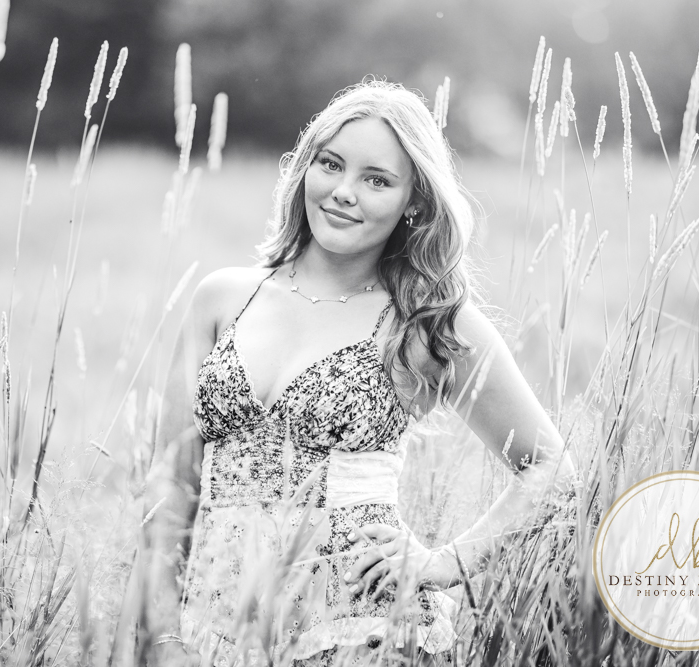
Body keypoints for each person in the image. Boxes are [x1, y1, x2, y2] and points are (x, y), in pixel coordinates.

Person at [131, 79, 576, 666]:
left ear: (414, 201)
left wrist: (447, 562)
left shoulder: (427, 321)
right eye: (331, 165)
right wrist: (160, 634)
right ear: (304, 168)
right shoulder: (223, 298)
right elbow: (171, 480)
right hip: (216, 627)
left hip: (361, 629)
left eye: (377, 180)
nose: (344, 193)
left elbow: (549, 468)